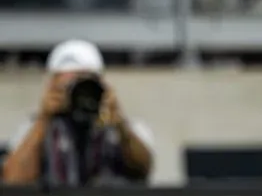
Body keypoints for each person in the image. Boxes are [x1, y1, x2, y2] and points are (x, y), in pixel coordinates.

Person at [2, 39, 154, 187]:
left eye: (82, 84)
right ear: (52, 86)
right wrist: (44, 119)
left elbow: (143, 170)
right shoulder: (34, 129)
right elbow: (14, 181)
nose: (76, 93)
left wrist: (120, 125)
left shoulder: (123, 127)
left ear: (100, 84)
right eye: (67, 86)